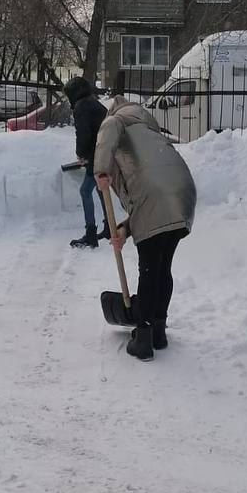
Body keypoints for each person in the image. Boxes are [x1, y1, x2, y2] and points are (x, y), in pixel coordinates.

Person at [94, 98, 196, 361]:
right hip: (183, 197)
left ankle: (143, 337)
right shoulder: (148, 133)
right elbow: (148, 205)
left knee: (149, 271)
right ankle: (159, 331)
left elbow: (109, 128)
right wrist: (124, 231)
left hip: (156, 200)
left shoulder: (116, 120)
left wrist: (101, 169)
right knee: (162, 267)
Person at [65, 77, 109, 249]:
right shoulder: (94, 103)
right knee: (100, 189)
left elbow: (83, 133)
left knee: (85, 191)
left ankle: (91, 234)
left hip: (96, 156)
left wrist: (81, 154)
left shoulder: (81, 107)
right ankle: (109, 227)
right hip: (104, 152)